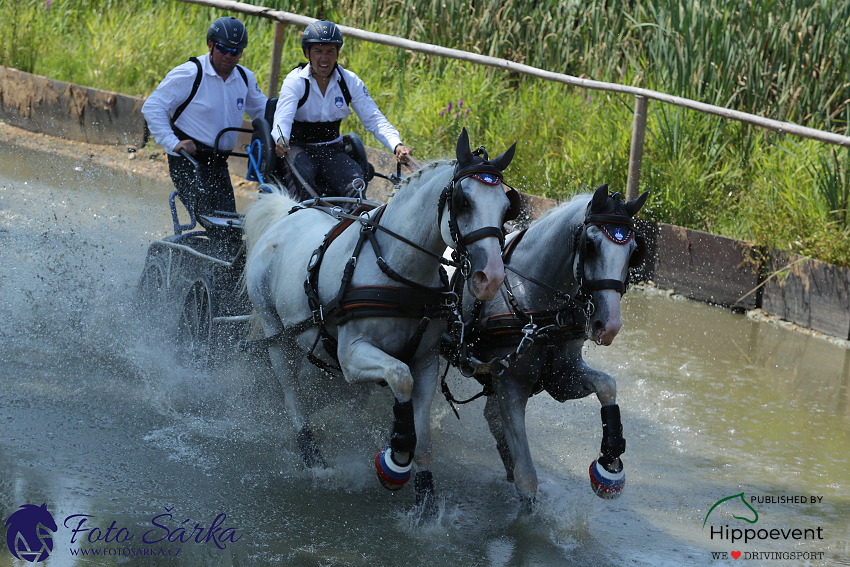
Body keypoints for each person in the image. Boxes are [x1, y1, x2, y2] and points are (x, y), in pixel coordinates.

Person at [272, 19, 415, 202]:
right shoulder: (295, 81)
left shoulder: (350, 82)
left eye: (330, 51)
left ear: (338, 53)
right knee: (304, 178)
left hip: (332, 150)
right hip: (299, 148)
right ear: (307, 52)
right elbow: (281, 119)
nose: (324, 58)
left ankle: (349, 228)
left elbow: (374, 119)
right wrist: (281, 138)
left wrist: (397, 145)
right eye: (318, 51)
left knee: (356, 183)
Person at [142, 16, 267, 220]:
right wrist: (173, 143)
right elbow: (153, 106)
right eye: (223, 49)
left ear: (241, 52)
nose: (229, 56)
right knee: (214, 223)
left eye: (235, 52)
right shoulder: (190, 73)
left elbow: (263, 112)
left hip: (219, 162)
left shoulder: (245, 78)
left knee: (229, 229)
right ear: (210, 45)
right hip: (189, 161)